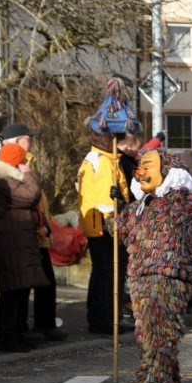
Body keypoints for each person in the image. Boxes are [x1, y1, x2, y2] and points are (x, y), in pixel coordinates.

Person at [114, 150, 192, 383]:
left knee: (159, 330)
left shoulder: (177, 201)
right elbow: (124, 231)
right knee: (149, 331)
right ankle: (168, 376)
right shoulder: (139, 206)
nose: (140, 172)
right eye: (140, 168)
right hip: (141, 276)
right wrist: (115, 211)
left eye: (147, 167)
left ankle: (155, 382)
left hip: (168, 275)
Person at [0, 142, 50, 352]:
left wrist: (43, 225)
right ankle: (7, 337)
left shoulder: (7, 180)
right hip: (11, 242)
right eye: (23, 161)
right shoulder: (2, 183)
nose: (25, 165)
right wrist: (29, 175)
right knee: (12, 290)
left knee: (20, 289)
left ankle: (17, 332)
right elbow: (30, 196)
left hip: (19, 240)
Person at [1, 123, 68, 342]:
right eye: (28, 139)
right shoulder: (13, 165)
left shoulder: (27, 162)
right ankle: (23, 329)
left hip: (38, 232)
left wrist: (46, 225)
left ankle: (40, 324)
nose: (32, 142)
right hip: (27, 234)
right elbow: (28, 197)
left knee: (43, 283)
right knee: (22, 287)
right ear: (18, 141)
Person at [78, 129, 132, 335]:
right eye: (115, 138)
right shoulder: (101, 161)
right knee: (105, 273)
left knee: (107, 273)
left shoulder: (106, 159)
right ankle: (102, 319)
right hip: (103, 226)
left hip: (102, 224)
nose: (117, 142)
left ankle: (108, 318)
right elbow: (106, 201)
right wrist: (116, 224)